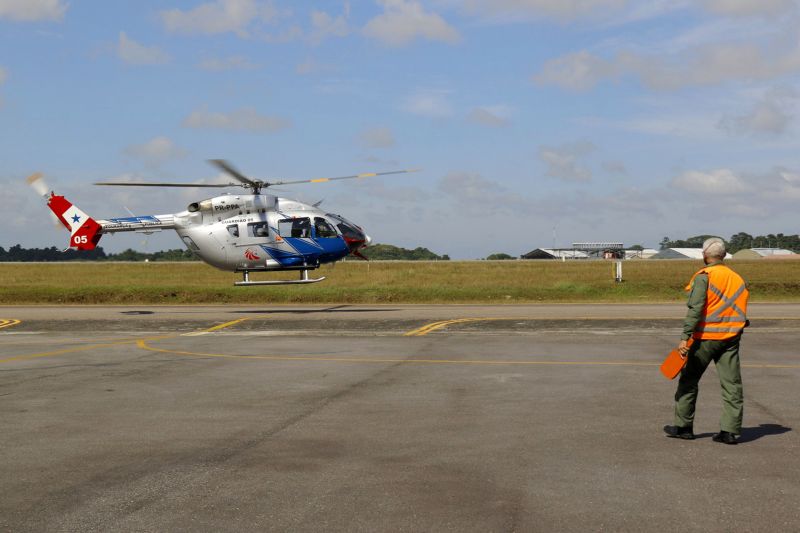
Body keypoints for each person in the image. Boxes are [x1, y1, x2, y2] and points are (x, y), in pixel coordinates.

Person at [664, 237, 749, 445]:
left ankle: (683, 427)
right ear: (723, 254)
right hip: (730, 338)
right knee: (732, 385)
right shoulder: (737, 278)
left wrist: (685, 337)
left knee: (689, 381)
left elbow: (696, 309)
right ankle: (729, 431)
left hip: (704, 339)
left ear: (705, 255)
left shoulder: (704, 276)